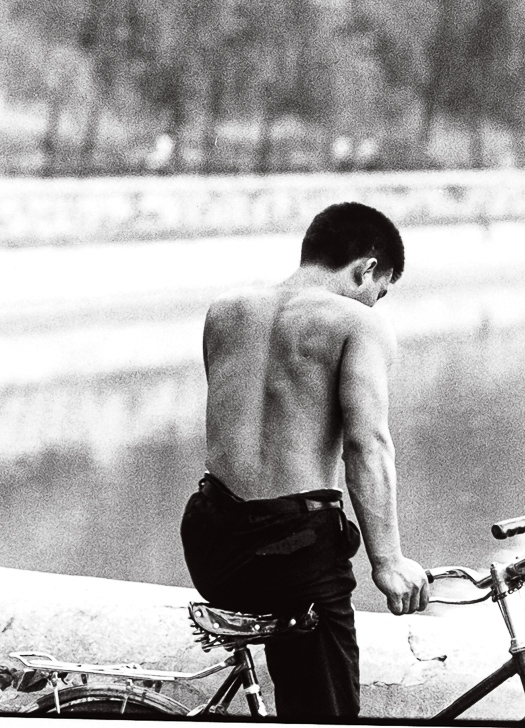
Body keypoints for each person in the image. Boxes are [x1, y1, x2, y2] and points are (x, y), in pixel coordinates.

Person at [181, 201, 429, 722]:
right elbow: (367, 446)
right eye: (380, 290)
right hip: (290, 557)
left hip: (210, 545)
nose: (375, 303)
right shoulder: (358, 324)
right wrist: (388, 561)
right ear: (366, 269)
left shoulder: (225, 310)